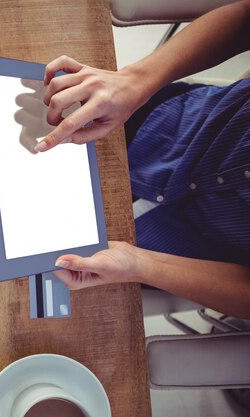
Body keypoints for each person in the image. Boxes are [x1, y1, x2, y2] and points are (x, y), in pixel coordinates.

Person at [16, 0, 250, 318]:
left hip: (182, 258)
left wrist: (141, 266)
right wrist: (135, 79)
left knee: (25, 292)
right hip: (162, 126)